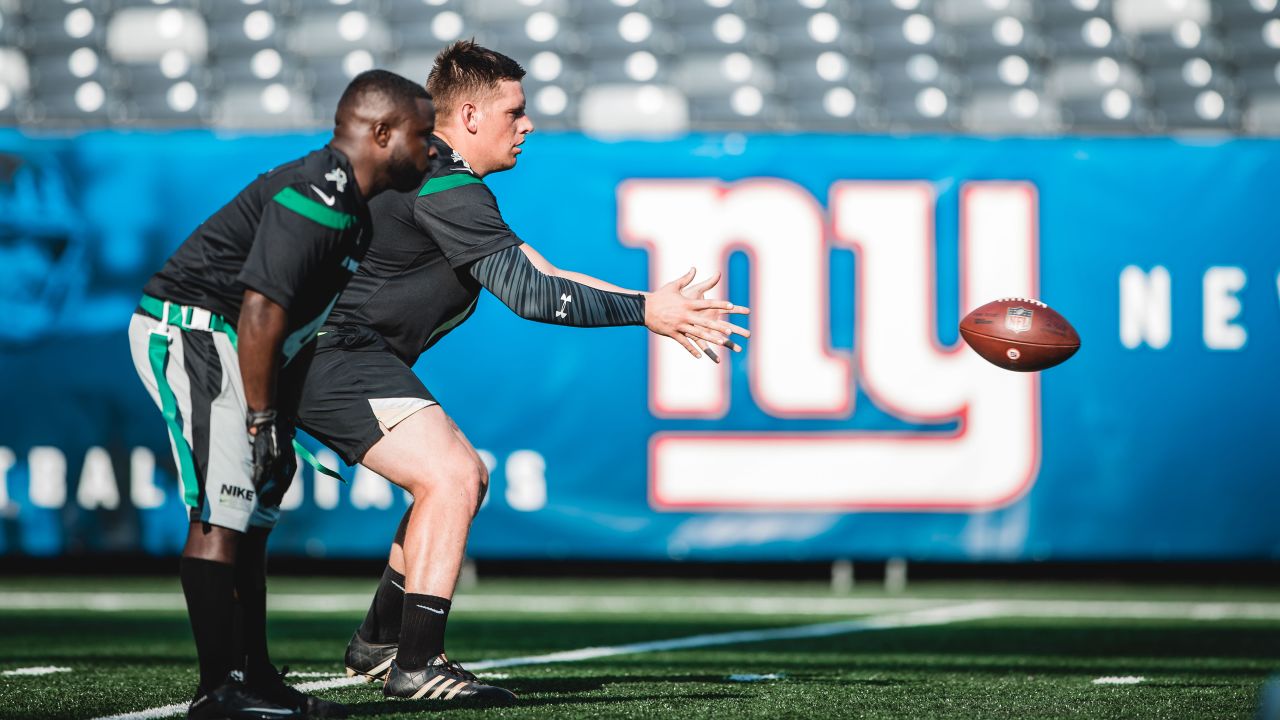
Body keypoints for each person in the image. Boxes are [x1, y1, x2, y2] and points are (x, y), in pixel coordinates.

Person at [284, 41, 749, 705]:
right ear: (469, 115)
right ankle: (417, 665)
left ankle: (381, 641)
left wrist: (654, 308)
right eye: (516, 111)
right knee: (454, 475)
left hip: (339, 351)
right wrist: (646, 310)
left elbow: (545, 275)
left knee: (451, 481)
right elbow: (534, 299)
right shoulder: (444, 183)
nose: (527, 124)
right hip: (333, 351)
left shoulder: (440, 178)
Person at [127, 70, 436, 720]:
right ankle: (219, 691)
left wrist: (282, 424)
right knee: (225, 504)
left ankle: (256, 676)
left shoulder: (353, 211)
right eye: (423, 134)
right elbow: (263, 307)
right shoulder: (321, 190)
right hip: (194, 330)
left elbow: (297, 329)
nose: (432, 149)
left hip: (237, 342)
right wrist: (263, 418)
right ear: (381, 132)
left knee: (259, 507)